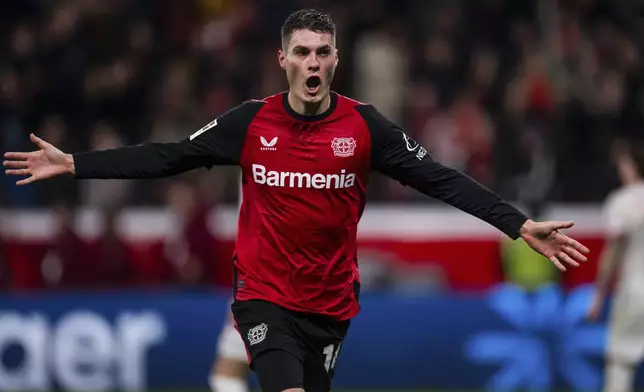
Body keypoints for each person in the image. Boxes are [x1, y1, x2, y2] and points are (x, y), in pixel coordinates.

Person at [3, 8, 589, 392]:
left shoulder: (366, 129)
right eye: (302, 52)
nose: (313, 62)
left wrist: (516, 224)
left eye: (323, 52)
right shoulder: (250, 122)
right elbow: (167, 156)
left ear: (335, 60)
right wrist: (75, 163)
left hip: (331, 303)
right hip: (263, 297)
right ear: (283, 59)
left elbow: (440, 178)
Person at [587, 139, 644, 392]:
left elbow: (613, 253)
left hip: (635, 290)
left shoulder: (622, 201)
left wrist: (599, 297)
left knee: (620, 362)